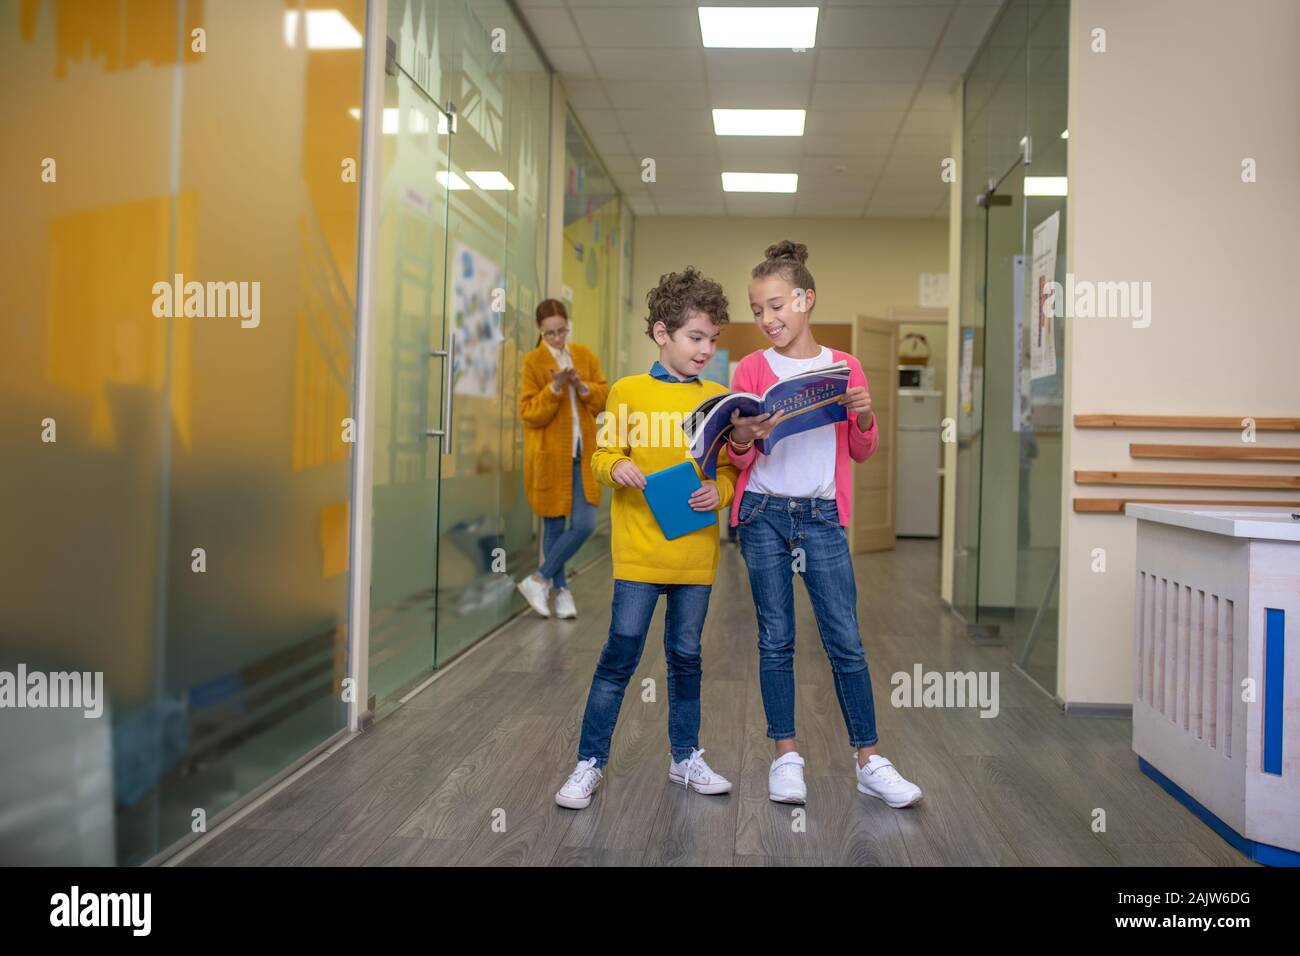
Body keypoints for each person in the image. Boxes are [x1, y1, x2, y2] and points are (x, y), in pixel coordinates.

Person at [726, 240, 923, 809]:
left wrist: (862, 414)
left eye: (777, 305)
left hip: (821, 517)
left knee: (846, 640)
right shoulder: (751, 368)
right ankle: (786, 757)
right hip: (763, 513)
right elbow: (736, 456)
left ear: (806, 299)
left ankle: (868, 760)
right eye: (757, 309)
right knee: (776, 639)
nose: (767, 319)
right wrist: (744, 436)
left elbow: (862, 450)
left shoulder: (845, 366)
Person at [555, 269, 740, 809]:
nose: (706, 350)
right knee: (620, 655)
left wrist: (719, 494)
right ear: (663, 333)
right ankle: (588, 763)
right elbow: (601, 456)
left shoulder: (720, 399)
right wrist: (619, 470)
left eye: (712, 340)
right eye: (695, 338)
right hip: (637, 555)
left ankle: (685, 758)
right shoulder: (627, 392)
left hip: (694, 555)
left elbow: (727, 470)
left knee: (686, 656)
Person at [517, 299, 608, 620]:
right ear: (540, 332)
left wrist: (582, 386)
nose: (557, 338)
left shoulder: (583, 355)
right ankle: (562, 592)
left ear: (568, 327)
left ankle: (539, 579)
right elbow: (529, 413)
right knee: (554, 524)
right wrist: (554, 387)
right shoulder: (532, 363)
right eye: (550, 333)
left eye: (561, 331)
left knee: (584, 524)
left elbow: (603, 398)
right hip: (550, 457)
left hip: (582, 455)